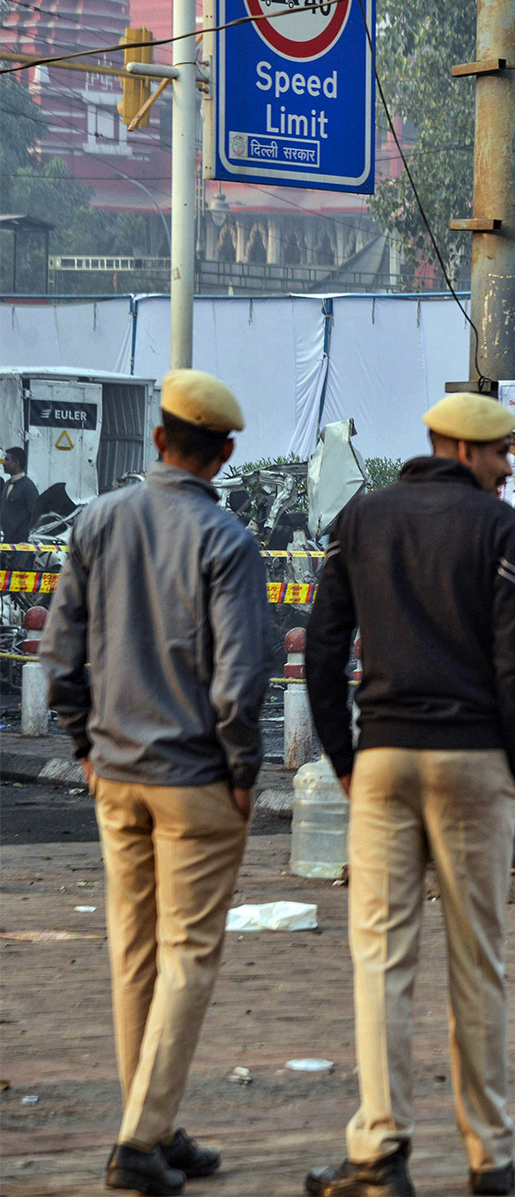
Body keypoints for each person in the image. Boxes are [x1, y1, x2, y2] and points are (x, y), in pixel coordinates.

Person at [40, 371, 272, 1196]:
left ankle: (156, 1122)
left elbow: (60, 657)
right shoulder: (226, 540)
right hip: (196, 779)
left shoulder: (97, 521)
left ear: (157, 441)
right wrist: (244, 771)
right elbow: (241, 681)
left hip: (116, 774)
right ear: (226, 454)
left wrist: (84, 745)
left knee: (134, 953)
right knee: (188, 957)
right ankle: (140, 1139)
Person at [303, 392, 515, 1197]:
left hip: (383, 758)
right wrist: (514, 760)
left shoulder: (362, 518)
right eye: (501, 454)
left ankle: (377, 1152)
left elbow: (323, 643)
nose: (510, 469)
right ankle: (491, 1157)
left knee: (380, 957)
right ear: (462, 449)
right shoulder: (498, 529)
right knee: (479, 959)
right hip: (471, 758)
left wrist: (344, 751)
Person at [2, 445, 39, 541]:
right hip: (7, 541)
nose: (3, 463)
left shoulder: (28, 487)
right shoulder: (7, 484)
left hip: (21, 543)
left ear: (16, 463)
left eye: (7, 459)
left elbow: (36, 515)